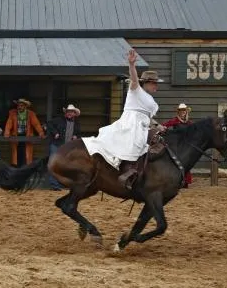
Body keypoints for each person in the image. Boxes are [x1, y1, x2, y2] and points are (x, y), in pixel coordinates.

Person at [83, 49, 161, 190]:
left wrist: (158, 126)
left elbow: (149, 117)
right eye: (153, 83)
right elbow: (135, 80)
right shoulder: (136, 90)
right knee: (135, 143)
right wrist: (132, 65)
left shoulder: (150, 99)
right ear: (146, 83)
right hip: (131, 123)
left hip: (143, 124)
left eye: (156, 83)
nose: (156, 85)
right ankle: (128, 173)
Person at [46, 104, 82, 190]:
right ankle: (54, 185)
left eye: (71, 112)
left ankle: (62, 184)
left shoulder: (76, 123)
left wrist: (75, 136)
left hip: (68, 148)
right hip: (57, 145)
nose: (69, 113)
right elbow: (49, 124)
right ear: (65, 113)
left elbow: (78, 133)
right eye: (68, 112)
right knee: (54, 164)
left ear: (74, 114)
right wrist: (55, 133)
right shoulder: (59, 120)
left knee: (66, 165)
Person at [4, 98, 45, 167]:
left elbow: (36, 124)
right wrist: (7, 132)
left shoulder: (31, 114)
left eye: (22, 105)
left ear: (25, 106)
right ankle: (17, 168)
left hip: (27, 135)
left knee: (26, 153)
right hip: (16, 136)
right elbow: (9, 123)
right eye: (19, 105)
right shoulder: (13, 113)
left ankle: (25, 167)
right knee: (16, 153)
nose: (20, 107)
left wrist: (41, 132)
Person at [162, 102, 194, 187]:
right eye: (181, 110)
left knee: (186, 162)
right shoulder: (175, 120)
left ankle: (186, 181)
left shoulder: (189, 122)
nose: (183, 112)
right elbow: (164, 126)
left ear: (186, 111)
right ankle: (177, 180)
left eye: (184, 110)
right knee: (177, 162)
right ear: (178, 112)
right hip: (177, 145)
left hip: (186, 144)